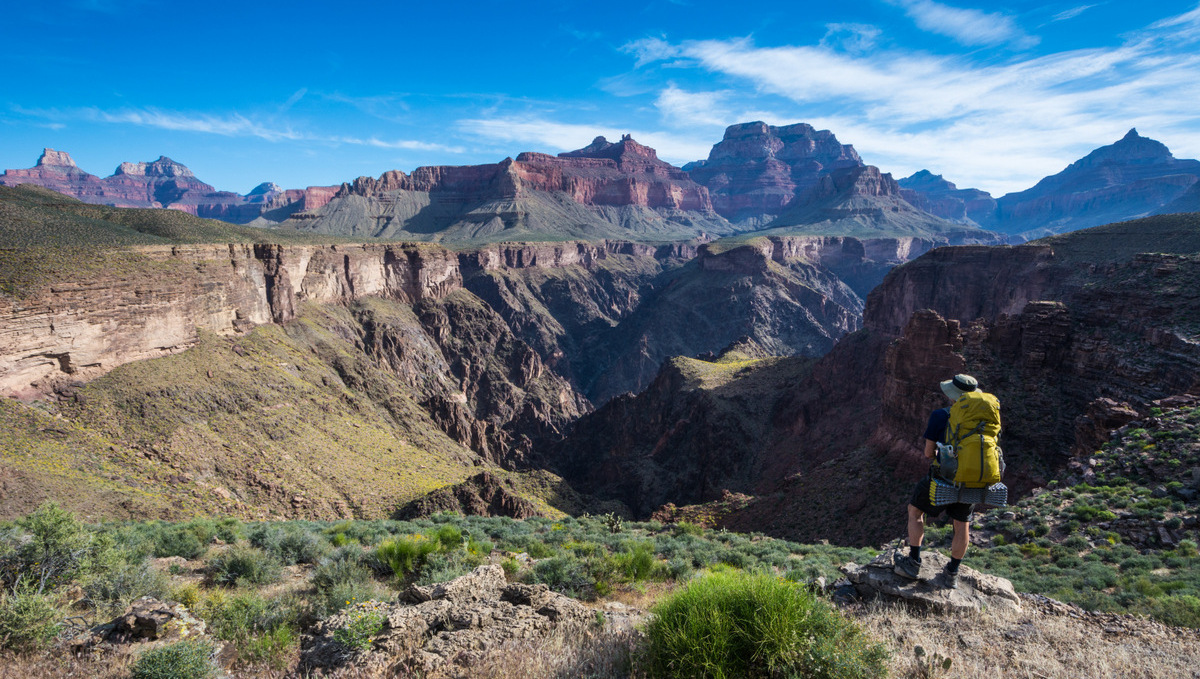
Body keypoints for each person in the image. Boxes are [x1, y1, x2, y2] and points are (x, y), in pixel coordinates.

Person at [894, 374, 979, 589]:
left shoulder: (941, 415)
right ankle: (952, 573)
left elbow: (928, 452)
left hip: (944, 477)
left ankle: (913, 562)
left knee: (915, 510)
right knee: (962, 524)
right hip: (974, 479)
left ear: (953, 396)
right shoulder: (984, 418)